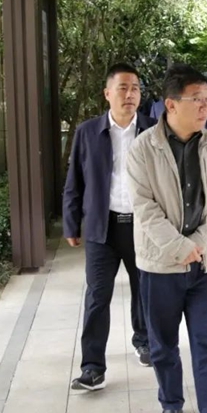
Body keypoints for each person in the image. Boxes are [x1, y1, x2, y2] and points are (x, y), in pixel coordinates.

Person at [126, 64, 207, 413]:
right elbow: (144, 207)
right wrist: (180, 247)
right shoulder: (143, 148)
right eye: (198, 99)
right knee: (163, 344)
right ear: (171, 104)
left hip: (206, 265)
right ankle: (171, 403)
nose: (206, 106)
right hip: (161, 265)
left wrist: (201, 242)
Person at [64, 63, 155, 391]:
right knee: (97, 295)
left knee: (145, 289)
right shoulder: (88, 132)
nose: (130, 94)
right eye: (123, 88)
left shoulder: (153, 130)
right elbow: (74, 180)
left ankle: (145, 341)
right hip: (102, 228)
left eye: (135, 88)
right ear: (107, 93)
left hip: (142, 227)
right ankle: (92, 366)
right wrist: (71, 223)